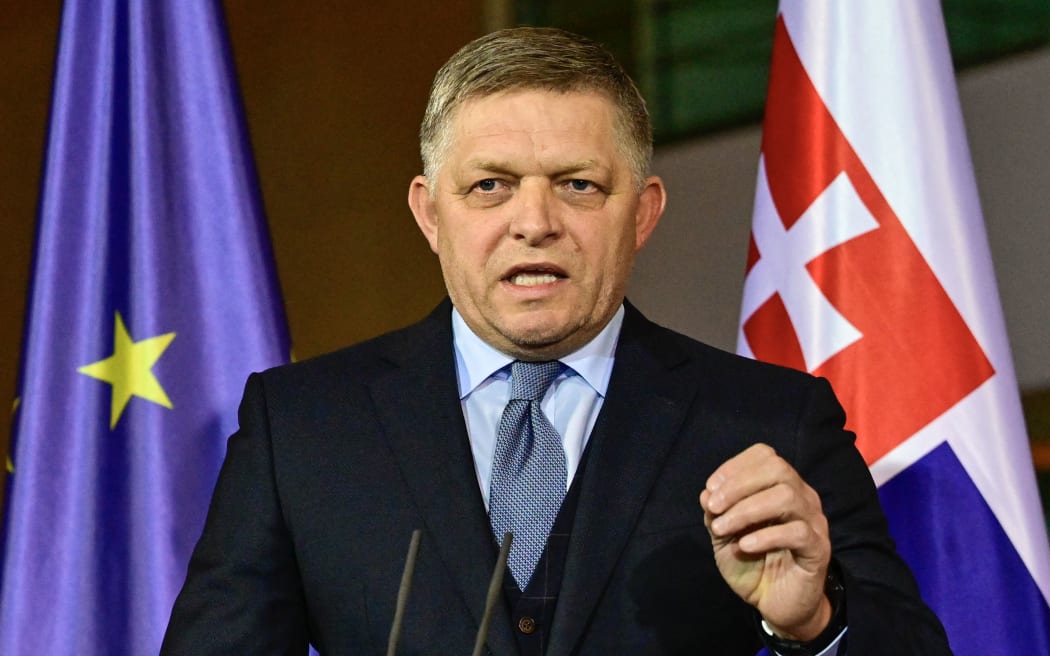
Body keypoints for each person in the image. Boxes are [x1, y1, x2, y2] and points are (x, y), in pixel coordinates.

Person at [162, 27, 952, 655]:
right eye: (490, 186)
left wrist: (812, 623)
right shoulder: (301, 427)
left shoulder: (774, 423)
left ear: (641, 213)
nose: (534, 222)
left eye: (578, 185)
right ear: (430, 214)